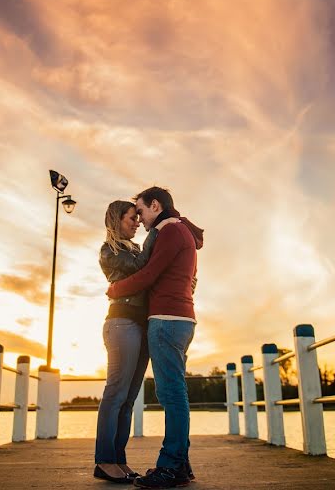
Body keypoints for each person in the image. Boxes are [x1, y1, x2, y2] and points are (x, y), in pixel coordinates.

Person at [108, 187, 203, 489]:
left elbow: (149, 275)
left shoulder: (170, 231)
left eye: (141, 209)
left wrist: (115, 290)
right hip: (178, 318)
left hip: (167, 320)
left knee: (171, 394)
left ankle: (170, 466)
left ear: (155, 205)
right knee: (174, 393)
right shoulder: (179, 231)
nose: (139, 217)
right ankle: (181, 466)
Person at [94, 199, 164, 483]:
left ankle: (119, 460)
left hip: (141, 325)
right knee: (115, 394)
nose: (137, 222)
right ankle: (103, 460)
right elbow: (141, 266)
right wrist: (158, 231)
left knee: (129, 399)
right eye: (131, 218)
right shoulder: (109, 250)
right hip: (121, 324)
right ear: (116, 220)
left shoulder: (135, 247)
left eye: (138, 218)